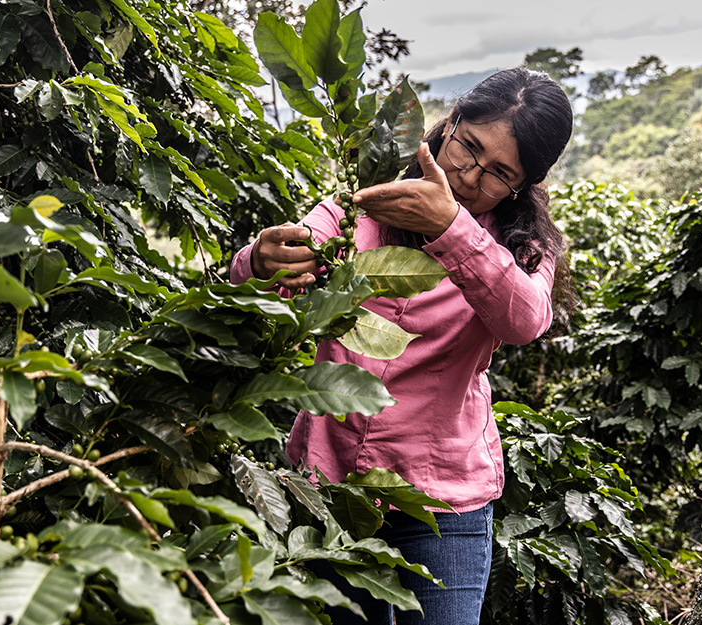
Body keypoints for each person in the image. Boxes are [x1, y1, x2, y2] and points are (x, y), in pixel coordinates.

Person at [230, 67, 574, 624]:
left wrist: (450, 228)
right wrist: (261, 260)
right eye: (468, 147)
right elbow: (271, 271)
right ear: (452, 121)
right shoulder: (363, 205)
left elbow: (524, 319)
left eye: (499, 174)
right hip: (329, 485)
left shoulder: (521, 247)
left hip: (442, 501)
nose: (468, 174)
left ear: (522, 185)